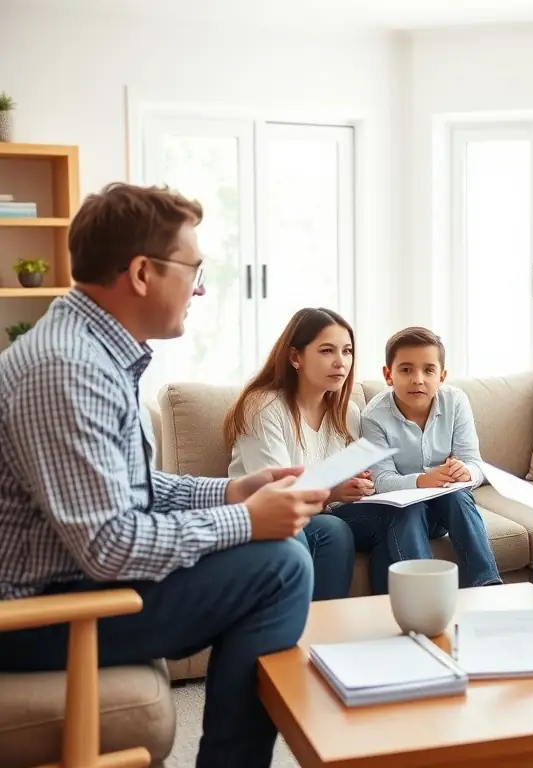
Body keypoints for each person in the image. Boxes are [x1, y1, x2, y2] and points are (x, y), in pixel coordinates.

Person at [0, 182, 330, 768]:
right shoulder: (68, 369)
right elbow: (110, 545)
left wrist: (231, 491)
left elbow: (136, 491)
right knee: (279, 567)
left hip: (70, 581)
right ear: (141, 273)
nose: (200, 287)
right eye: (193, 268)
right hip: (36, 614)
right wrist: (245, 521)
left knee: (281, 553)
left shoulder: (94, 351)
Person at [224, 307, 393, 597]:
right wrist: (333, 492)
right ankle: (318, 633)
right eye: (327, 351)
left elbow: (350, 478)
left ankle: (392, 620)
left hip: (321, 512)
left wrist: (361, 483)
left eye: (347, 351)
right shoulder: (263, 407)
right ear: (295, 357)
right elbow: (277, 494)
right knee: (332, 530)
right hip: (266, 517)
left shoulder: (347, 413)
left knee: (394, 518)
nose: (341, 362)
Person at [359, 326, 501, 588]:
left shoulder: (456, 402)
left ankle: (487, 586)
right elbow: (380, 480)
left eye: (428, 370)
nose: (418, 379)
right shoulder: (373, 416)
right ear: (388, 375)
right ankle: (427, 594)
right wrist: (425, 479)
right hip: (402, 513)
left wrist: (466, 472)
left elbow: (475, 463)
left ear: (442, 376)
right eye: (406, 370)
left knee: (458, 495)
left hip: (445, 508)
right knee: (409, 509)